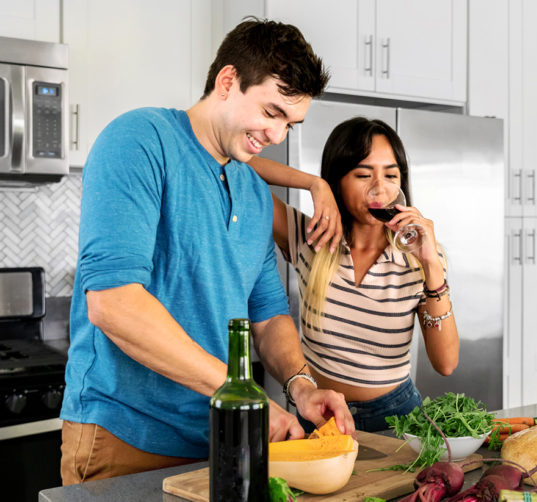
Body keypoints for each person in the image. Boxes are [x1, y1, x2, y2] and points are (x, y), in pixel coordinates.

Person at [59, 18, 354, 485]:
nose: (277, 136)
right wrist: (241, 393)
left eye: (290, 124)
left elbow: (268, 314)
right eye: (272, 112)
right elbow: (112, 303)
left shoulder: (254, 193)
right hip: (125, 439)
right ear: (227, 81)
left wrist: (301, 385)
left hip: (221, 442)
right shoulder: (140, 141)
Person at [249, 117, 459, 432]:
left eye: (391, 175)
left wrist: (431, 264)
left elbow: (446, 364)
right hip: (318, 413)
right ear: (337, 181)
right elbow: (239, 167)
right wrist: (314, 184)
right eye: (363, 174)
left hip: (395, 417)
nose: (380, 188)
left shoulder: (419, 258)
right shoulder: (309, 237)